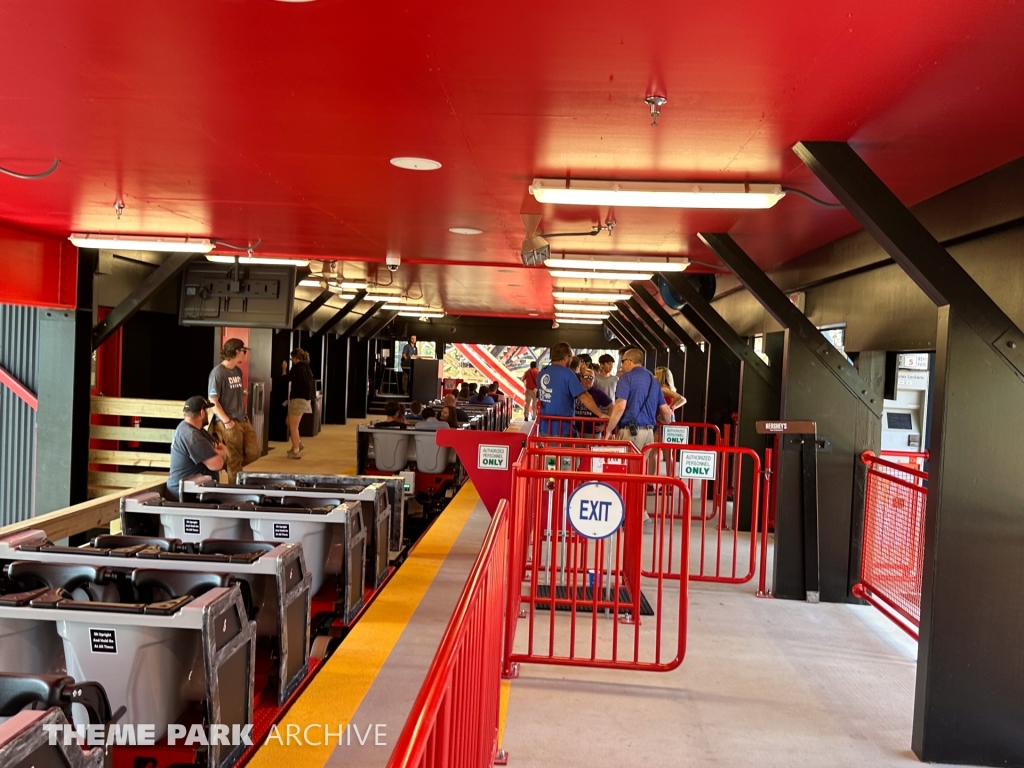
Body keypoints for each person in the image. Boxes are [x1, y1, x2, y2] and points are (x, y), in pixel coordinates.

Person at [208, 338, 260, 483]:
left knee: (254, 452)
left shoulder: (237, 371)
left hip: (243, 419)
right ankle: (234, 490)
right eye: (244, 351)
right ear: (237, 352)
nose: (245, 354)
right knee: (234, 461)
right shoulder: (218, 373)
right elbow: (213, 401)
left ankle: (227, 463)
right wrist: (227, 421)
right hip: (228, 422)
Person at [605, 348, 673, 450]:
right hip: (649, 434)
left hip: (631, 433)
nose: (621, 365)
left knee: (626, 465)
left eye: (622, 361)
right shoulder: (653, 380)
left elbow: (620, 406)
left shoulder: (626, 378)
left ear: (628, 361)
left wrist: (609, 430)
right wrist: (663, 420)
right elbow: (666, 411)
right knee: (640, 465)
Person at [167, 396, 226, 499]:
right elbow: (217, 464)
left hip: (191, 489)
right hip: (185, 494)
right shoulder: (193, 436)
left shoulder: (187, 428)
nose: (208, 413)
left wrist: (213, 451)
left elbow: (216, 446)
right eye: (207, 410)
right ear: (202, 413)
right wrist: (221, 451)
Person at [537, 342, 602, 435]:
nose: (571, 360)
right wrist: (600, 414)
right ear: (565, 358)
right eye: (571, 357)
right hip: (562, 429)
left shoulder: (542, 373)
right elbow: (584, 396)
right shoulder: (568, 374)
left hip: (543, 428)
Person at [285, 348, 315, 459]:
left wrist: (284, 370)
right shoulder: (307, 368)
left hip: (298, 399)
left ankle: (296, 451)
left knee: (293, 426)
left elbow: (287, 378)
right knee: (288, 421)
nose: (291, 360)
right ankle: (298, 443)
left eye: (292, 358)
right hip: (306, 399)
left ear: (295, 358)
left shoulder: (297, 368)